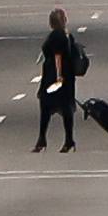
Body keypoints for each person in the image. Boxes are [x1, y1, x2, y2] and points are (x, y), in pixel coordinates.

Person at [32, 8, 76, 153]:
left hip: (55, 77)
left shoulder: (56, 36)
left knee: (46, 105)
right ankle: (67, 140)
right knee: (65, 107)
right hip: (66, 77)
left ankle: (43, 139)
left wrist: (58, 77)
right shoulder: (66, 35)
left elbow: (58, 56)